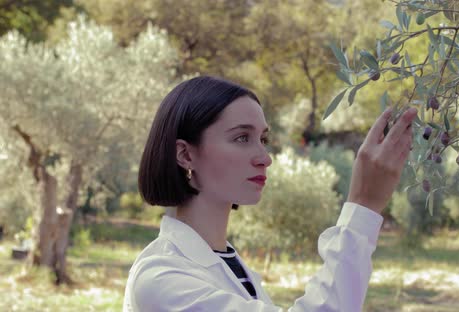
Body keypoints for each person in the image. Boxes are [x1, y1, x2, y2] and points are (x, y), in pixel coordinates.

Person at [123, 76, 417, 311]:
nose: (264, 157)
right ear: (185, 155)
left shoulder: (231, 264)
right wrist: (363, 207)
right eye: (241, 137)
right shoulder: (161, 279)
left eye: (263, 139)